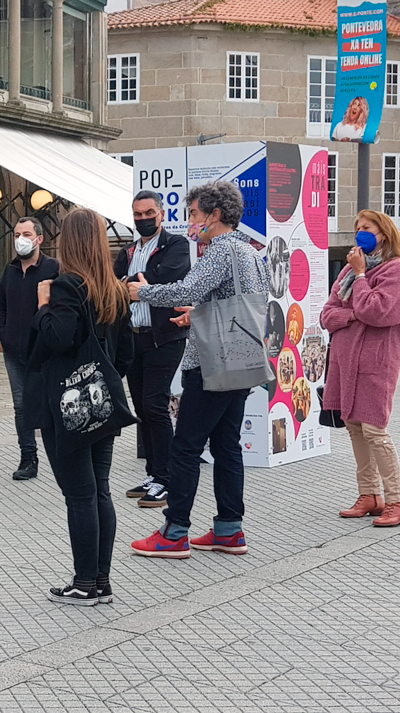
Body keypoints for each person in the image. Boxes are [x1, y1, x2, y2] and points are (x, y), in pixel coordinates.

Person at [127, 181, 269, 559]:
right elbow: (238, 305)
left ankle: (174, 532)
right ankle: (228, 529)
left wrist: (141, 293)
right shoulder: (250, 252)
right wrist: (200, 313)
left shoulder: (221, 251)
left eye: (193, 214)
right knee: (227, 446)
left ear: (214, 215)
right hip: (243, 360)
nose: (190, 221)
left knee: (185, 446)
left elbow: (183, 289)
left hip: (212, 363)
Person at [25, 207, 134, 606]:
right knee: (99, 491)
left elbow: (58, 338)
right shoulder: (114, 288)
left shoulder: (67, 286)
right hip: (101, 404)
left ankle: (84, 582)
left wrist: (42, 307)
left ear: (68, 242)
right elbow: (125, 354)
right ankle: (101, 580)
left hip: (67, 406)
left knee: (80, 496)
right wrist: (103, 383)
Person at [321, 210, 400, 527]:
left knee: (375, 428)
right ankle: (370, 495)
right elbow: (328, 314)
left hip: (376, 361)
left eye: (367, 228)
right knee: (354, 426)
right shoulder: (348, 269)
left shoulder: (397, 269)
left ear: (384, 233)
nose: (360, 233)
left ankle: (396, 500)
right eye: (357, 227)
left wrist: (361, 278)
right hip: (344, 361)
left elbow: (376, 311)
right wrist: (351, 316)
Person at [114, 190, 191, 507]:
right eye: (137, 214)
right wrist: (136, 284)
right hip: (134, 337)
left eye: (149, 213)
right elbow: (115, 283)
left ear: (161, 214)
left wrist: (136, 285)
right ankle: (154, 473)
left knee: (155, 405)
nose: (143, 219)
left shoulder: (176, 245)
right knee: (143, 409)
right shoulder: (129, 250)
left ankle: (168, 478)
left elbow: (167, 276)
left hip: (165, 338)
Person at [0, 217, 60, 481]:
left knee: (49, 403)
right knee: (21, 406)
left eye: (26, 234)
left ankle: (58, 453)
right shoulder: (10, 270)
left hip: (43, 351)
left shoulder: (53, 269)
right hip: (14, 351)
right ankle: (28, 457)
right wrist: (3, 332)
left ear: (39, 239)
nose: (21, 239)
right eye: (17, 234)